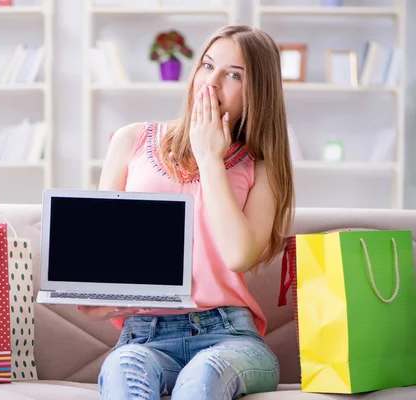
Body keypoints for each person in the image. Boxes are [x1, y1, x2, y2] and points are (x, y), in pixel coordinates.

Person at [78, 24, 295, 399]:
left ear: (256, 92)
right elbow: (107, 253)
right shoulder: (131, 140)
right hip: (144, 335)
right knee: (123, 369)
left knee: (204, 374)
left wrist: (210, 157)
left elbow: (238, 255)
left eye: (232, 75)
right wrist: (101, 296)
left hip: (228, 336)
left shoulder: (261, 166)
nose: (210, 82)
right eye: (207, 65)